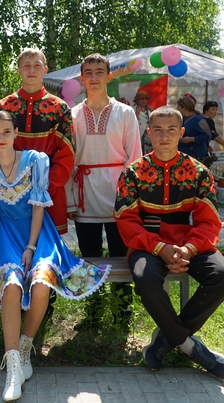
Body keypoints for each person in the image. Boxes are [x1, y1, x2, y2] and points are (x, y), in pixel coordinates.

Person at [0, 111, 110, 402]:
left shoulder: (36, 160)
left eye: (6, 132)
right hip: (4, 233)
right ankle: (12, 365)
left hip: (39, 234)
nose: (0, 138)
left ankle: (26, 348)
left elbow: (39, 208)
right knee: (11, 285)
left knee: (41, 283)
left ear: (15, 133)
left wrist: (31, 248)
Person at [114, 106, 224, 380]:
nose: (164, 136)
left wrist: (188, 249)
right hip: (147, 244)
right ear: (148, 133)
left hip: (188, 244)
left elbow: (208, 222)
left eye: (171, 130)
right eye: (158, 130)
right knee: (145, 277)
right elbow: (126, 221)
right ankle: (190, 347)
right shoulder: (132, 173)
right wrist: (160, 248)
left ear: (181, 133)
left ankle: (164, 341)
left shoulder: (199, 171)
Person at [0, 48, 75, 323]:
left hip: (48, 193)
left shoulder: (59, 107)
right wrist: (7, 187)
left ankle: (44, 312)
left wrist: (44, 188)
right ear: (18, 70)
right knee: (15, 251)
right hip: (10, 195)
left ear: (45, 69)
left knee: (44, 254)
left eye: (36, 65)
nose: (31, 70)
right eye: (25, 65)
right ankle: (13, 309)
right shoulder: (5, 105)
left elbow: (66, 154)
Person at [65, 53, 142, 331]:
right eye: (88, 72)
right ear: (81, 78)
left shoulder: (125, 112)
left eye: (99, 71)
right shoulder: (72, 115)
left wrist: (131, 199)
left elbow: (135, 157)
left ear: (109, 77)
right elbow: (68, 160)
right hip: (85, 192)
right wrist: (69, 199)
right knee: (89, 256)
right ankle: (93, 312)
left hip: (118, 193)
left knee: (121, 255)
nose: (94, 77)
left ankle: (122, 312)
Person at [176, 96, 211, 163]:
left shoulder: (199, 120)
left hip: (195, 157)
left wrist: (191, 139)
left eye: (178, 107)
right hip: (183, 156)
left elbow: (208, 136)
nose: (177, 109)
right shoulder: (182, 119)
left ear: (184, 108)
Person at [132, 90, 153, 155]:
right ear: (137, 100)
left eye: (145, 99)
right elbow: (131, 123)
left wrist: (153, 111)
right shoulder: (132, 110)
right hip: (138, 135)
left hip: (149, 137)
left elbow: (157, 121)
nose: (144, 101)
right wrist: (137, 112)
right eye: (142, 99)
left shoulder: (149, 110)